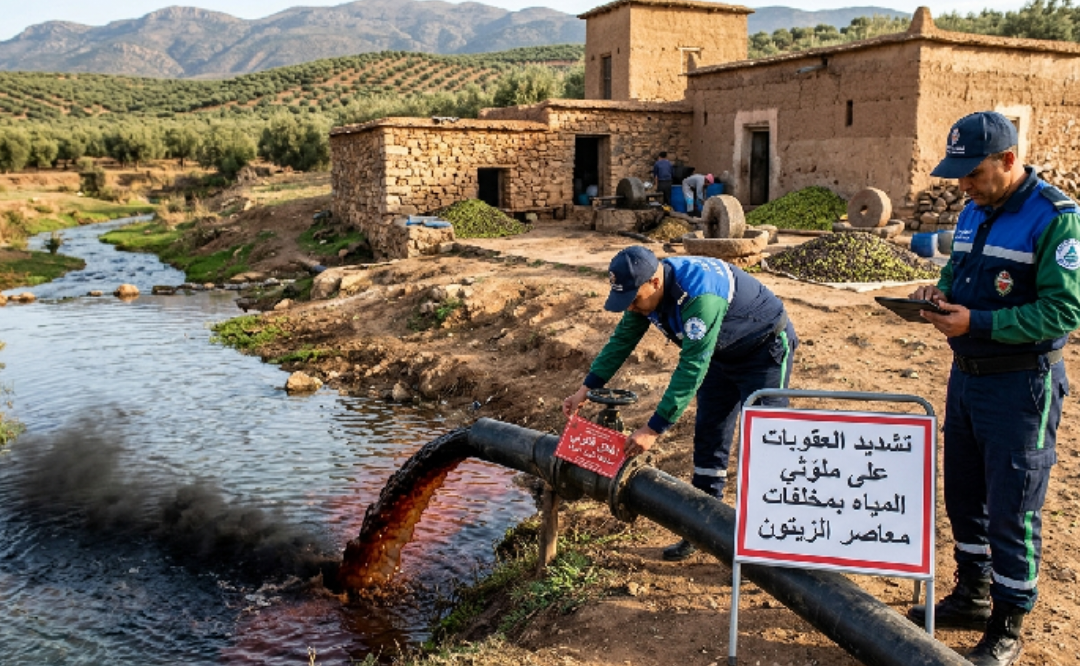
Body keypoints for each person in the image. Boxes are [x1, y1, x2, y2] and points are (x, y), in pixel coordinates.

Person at [907, 111, 1080, 666]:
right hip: (967, 378)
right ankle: (973, 594)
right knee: (963, 493)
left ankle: (1008, 622)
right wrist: (934, 298)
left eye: (973, 173)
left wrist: (978, 324)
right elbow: (957, 275)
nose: (963, 185)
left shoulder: (1055, 217)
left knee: (1013, 507)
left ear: (1009, 160)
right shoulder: (973, 212)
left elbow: (1064, 310)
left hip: (1021, 386)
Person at [562, 245, 797, 561]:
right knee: (709, 435)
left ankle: (765, 548)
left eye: (634, 299)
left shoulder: (698, 297)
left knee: (765, 444)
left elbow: (691, 367)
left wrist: (653, 428)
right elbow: (621, 341)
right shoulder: (644, 297)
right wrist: (585, 389)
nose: (631, 307)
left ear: (655, 282)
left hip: (764, 350)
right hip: (718, 354)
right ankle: (701, 529)